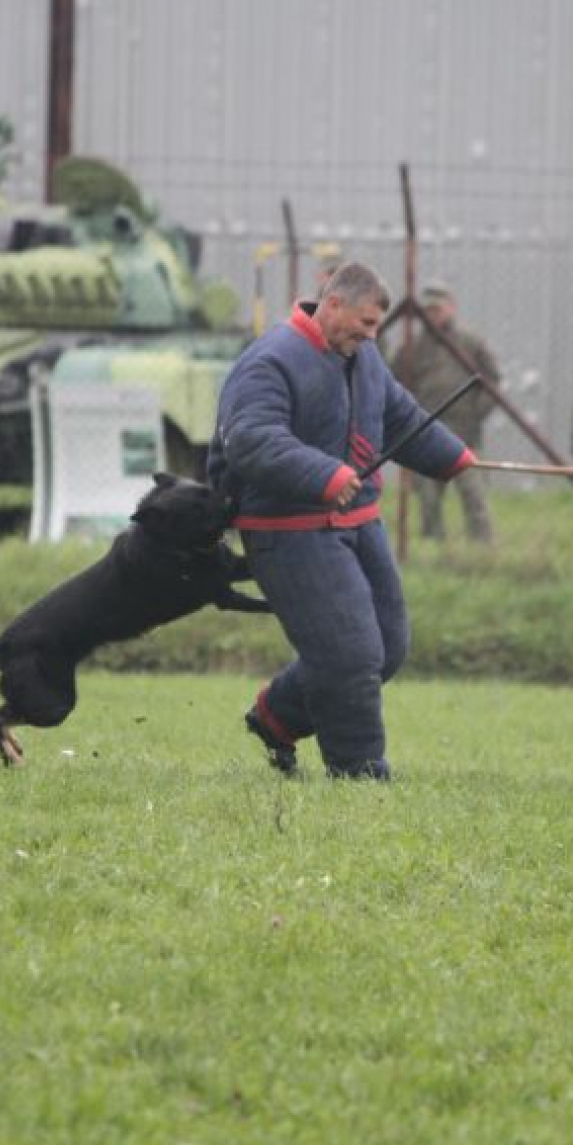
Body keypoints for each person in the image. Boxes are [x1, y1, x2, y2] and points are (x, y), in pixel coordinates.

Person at [207, 261, 478, 781]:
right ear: (332, 304)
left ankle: (276, 717)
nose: (372, 336)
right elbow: (251, 439)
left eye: (377, 326)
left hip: (357, 521)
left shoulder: (363, 356)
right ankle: (358, 772)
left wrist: (451, 456)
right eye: (366, 323)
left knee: (386, 649)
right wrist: (324, 474)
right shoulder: (269, 361)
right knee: (349, 656)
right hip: (288, 530)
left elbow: (398, 417)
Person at [394, 281, 500, 544]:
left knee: (473, 493)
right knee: (428, 497)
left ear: (451, 308)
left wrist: (477, 413)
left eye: (438, 309)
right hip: (425, 434)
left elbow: (492, 381)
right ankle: (433, 545)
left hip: (465, 433)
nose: (433, 315)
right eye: (428, 310)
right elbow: (395, 387)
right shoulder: (412, 348)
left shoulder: (471, 343)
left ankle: (483, 546)